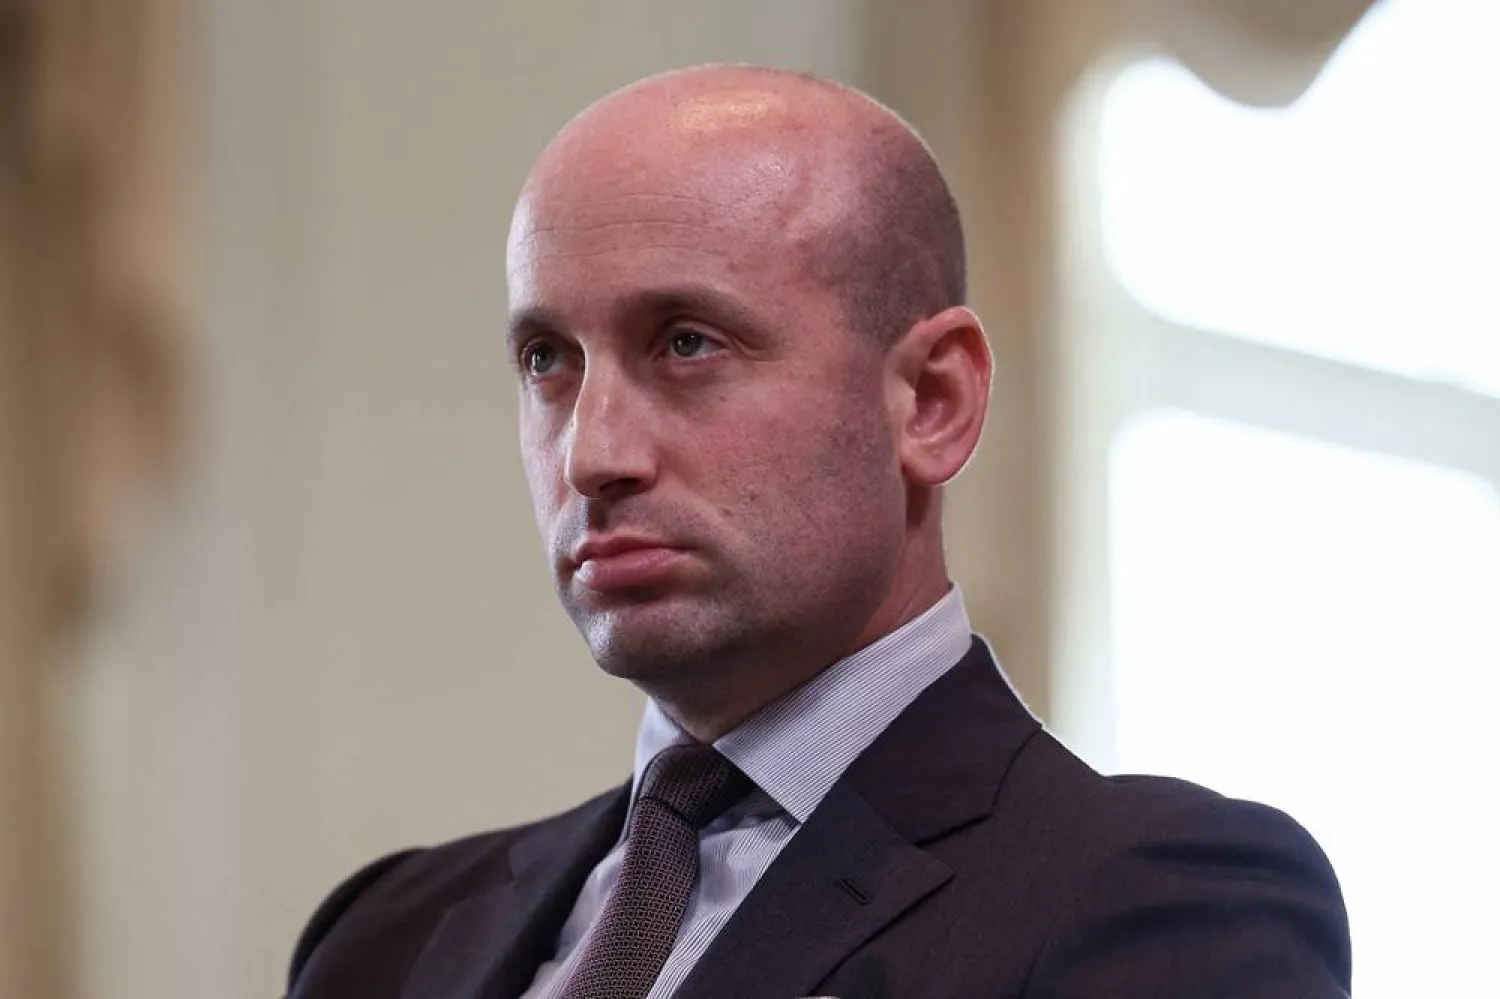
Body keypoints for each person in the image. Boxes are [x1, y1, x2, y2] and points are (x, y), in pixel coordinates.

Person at [285, 65, 1351, 998]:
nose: (591, 454)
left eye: (687, 343)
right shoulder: (383, 937)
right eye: (547, 361)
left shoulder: (1154, 900)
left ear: (932, 402)